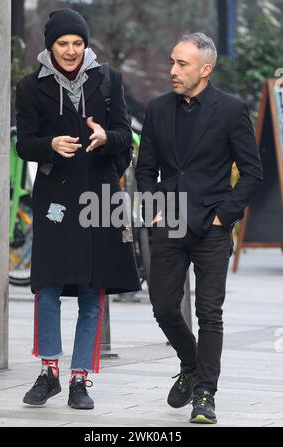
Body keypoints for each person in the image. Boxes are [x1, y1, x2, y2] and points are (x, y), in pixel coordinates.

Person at [15, 8, 140, 410]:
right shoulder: (30, 86)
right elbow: (25, 143)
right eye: (63, 43)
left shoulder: (108, 80)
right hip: (54, 200)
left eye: (78, 43)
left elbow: (126, 136)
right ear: (50, 46)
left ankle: (80, 379)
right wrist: (49, 145)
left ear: (86, 45)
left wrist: (108, 137)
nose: (71, 51)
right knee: (47, 285)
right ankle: (49, 372)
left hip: (99, 198)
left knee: (92, 289)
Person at [135, 32, 263, 424]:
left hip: (212, 226)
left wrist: (225, 215)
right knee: (163, 307)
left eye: (182, 64)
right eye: (172, 62)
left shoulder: (230, 109)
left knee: (210, 314)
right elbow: (145, 169)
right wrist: (155, 209)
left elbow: (253, 172)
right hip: (169, 221)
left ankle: (205, 393)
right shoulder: (157, 109)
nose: (172, 70)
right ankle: (191, 366)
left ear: (205, 69)